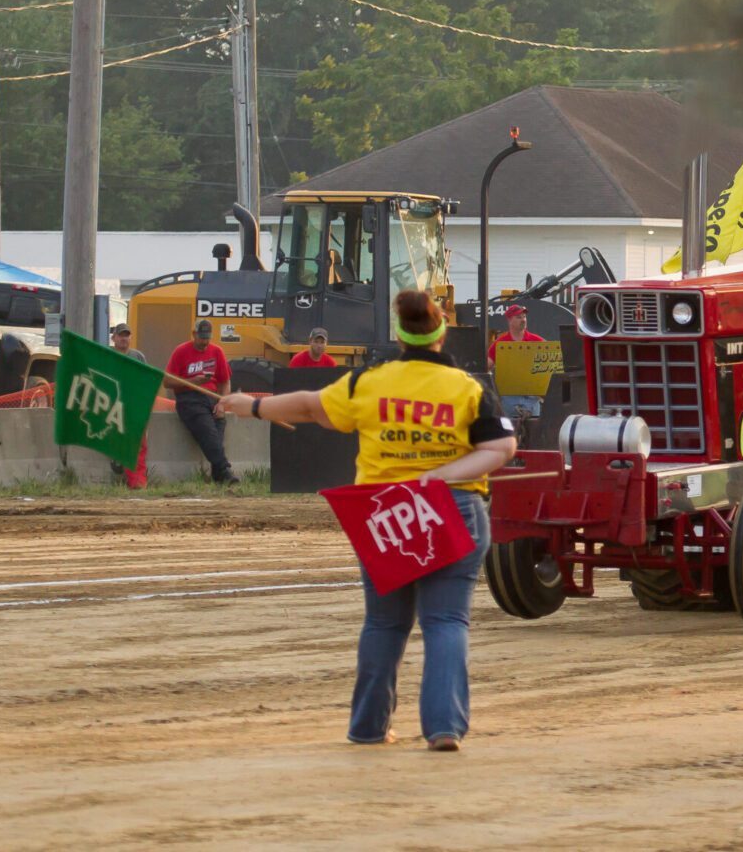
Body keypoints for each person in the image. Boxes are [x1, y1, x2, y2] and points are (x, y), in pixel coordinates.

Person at [214, 290, 517, 752]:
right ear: (442, 334)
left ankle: (369, 727)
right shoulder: (468, 388)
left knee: (384, 624)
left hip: (386, 514)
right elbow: (500, 449)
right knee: (446, 621)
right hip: (453, 508)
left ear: (399, 334)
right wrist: (439, 475)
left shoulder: (369, 382)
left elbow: (309, 406)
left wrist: (252, 406)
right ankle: (444, 727)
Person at [166, 319, 237, 485]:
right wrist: (192, 382)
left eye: (207, 338)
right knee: (207, 429)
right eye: (201, 338)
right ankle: (224, 469)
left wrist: (222, 403)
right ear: (194, 334)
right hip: (189, 398)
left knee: (218, 425)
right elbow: (167, 381)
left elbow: (225, 382)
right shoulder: (181, 351)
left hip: (211, 397)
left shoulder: (217, 351)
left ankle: (218, 473)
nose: (205, 342)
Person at [488, 304, 546, 419]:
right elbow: (486, 367)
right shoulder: (500, 343)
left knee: (533, 434)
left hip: (532, 399)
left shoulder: (538, 342)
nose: (523, 320)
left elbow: (550, 367)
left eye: (524, 317)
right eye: (518, 317)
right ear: (510, 320)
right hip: (508, 400)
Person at [109, 323, 150, 488]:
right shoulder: (106, 354)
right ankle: (118, 460)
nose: (124, 338)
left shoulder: (138, 357)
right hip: (112, 404)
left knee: (139, 444)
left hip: (134, 404)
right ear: (114, 338)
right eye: (121, 335)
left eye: (127, 335)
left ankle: (137, 481)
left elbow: (145, 381)